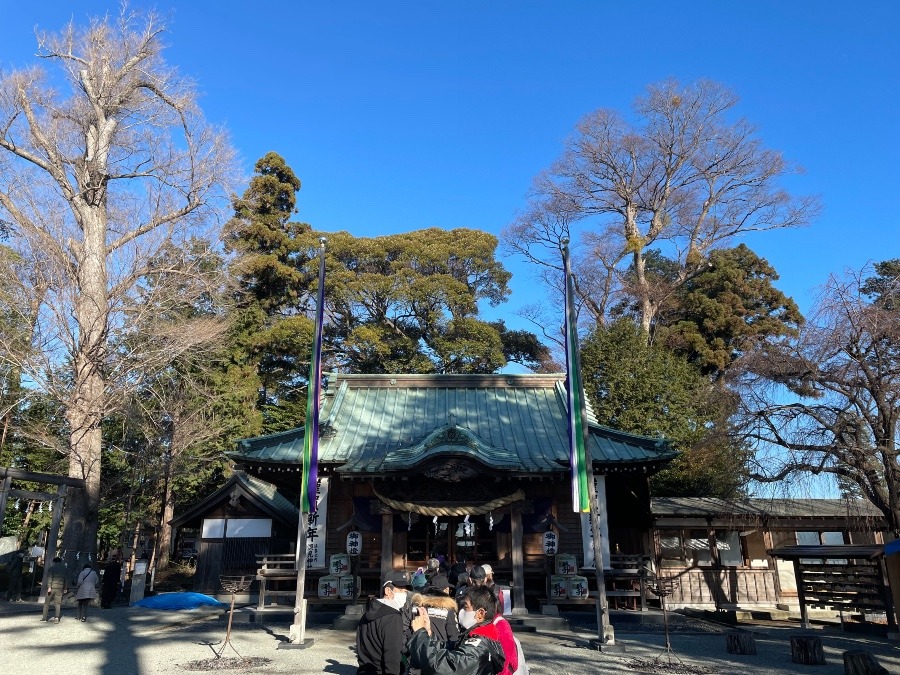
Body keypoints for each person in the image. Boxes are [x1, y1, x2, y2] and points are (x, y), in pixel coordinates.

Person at [407, 585, 505, 675]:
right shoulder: (475, 637)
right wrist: (429, 633)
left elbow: (443, 667)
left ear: (480, 613)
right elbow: (449, 652)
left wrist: (420, 633)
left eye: (466, 606)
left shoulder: (477, 648)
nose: (461, 610)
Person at [356, 570, 409, 675]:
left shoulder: (366, 614)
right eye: (401, 590)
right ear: (388, 591)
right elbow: (392, 654)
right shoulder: (393, 617)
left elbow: (360, 646)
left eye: (406, 591)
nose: (405, 594)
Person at [42, 557, 68, 623]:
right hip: (60, 588)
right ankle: (56, 617)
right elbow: (66, 579)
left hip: (52, 588)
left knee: (46, 603)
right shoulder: (64, 569)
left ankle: (44, 618)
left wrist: (49, 587)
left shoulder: (52, 568)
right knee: (57, 604)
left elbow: (50, 578)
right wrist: (65, 588)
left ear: (54, 562)